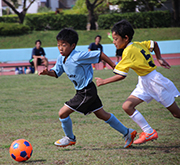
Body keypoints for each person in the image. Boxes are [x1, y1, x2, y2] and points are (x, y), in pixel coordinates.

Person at [39, 28, 137, 148]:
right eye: (58, 45)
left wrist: (113, 66)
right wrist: (47, 72)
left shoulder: (79, 56)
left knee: (62, 113)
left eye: (64, 45)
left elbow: (100, 54)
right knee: (102, 115)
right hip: (84, 91)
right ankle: (128, 132)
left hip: (86, 91)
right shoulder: (61, 58)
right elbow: (56, 73)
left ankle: (70, 138)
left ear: (73, 45)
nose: (60, 48)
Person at [95, 20, 180, 145]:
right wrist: (159, 58)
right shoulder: (138, 44)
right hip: (144, 81)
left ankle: (149, 132)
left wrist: (103, 81)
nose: (113, 42)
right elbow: (154, 43)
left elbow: (121, 75)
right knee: (127, 106)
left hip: (155, 82)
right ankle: (149, 132)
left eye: (116, 39)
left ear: (125, 38)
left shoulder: (128, 51)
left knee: (176, 114)